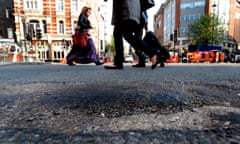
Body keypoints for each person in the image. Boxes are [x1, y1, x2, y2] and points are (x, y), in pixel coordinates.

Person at [104, 0, 159, 70]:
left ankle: (119, 63)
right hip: (133, 9)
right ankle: (152, 53)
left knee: (118, 33)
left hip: (125, 7)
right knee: (127, 35)